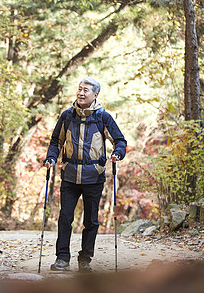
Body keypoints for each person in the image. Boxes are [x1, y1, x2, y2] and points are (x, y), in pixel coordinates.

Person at [44, 77, 127, 272]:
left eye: (86, 90)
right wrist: (51, 158)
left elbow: (120, 140)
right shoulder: (67, 116)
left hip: (94, 177)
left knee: (91, 221)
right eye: (79, 89)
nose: (81, 93)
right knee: (65, 217)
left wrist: (117, 153)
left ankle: (85, 259)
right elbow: (55, 141)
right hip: (70, 176)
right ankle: (62, 258)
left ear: (95, 95)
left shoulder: (103, 117)